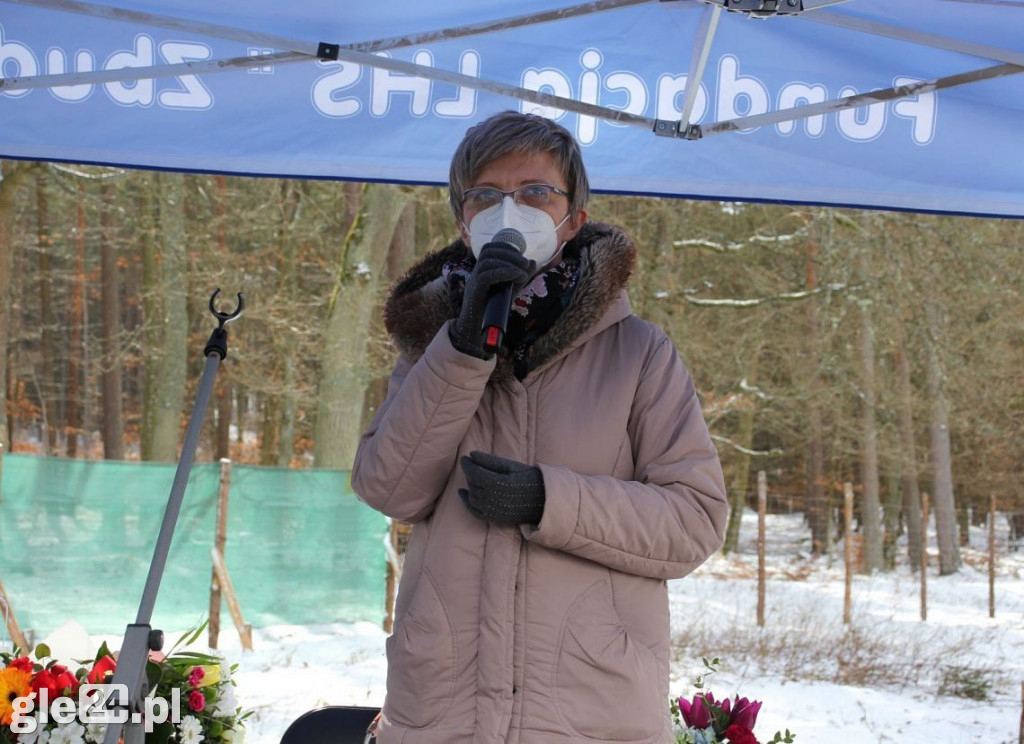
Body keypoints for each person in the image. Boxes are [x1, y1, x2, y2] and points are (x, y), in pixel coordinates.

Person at [352, 110, 728, 744]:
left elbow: (692, 521)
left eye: (534, 192)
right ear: (463, 221)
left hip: (590, 717)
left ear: (573, 217)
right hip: (444, 716)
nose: (510, 209)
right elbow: (390, 490)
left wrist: (550, 500)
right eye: (487, 195)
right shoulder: (429, 350)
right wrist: (462, 350)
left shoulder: (638, 352)